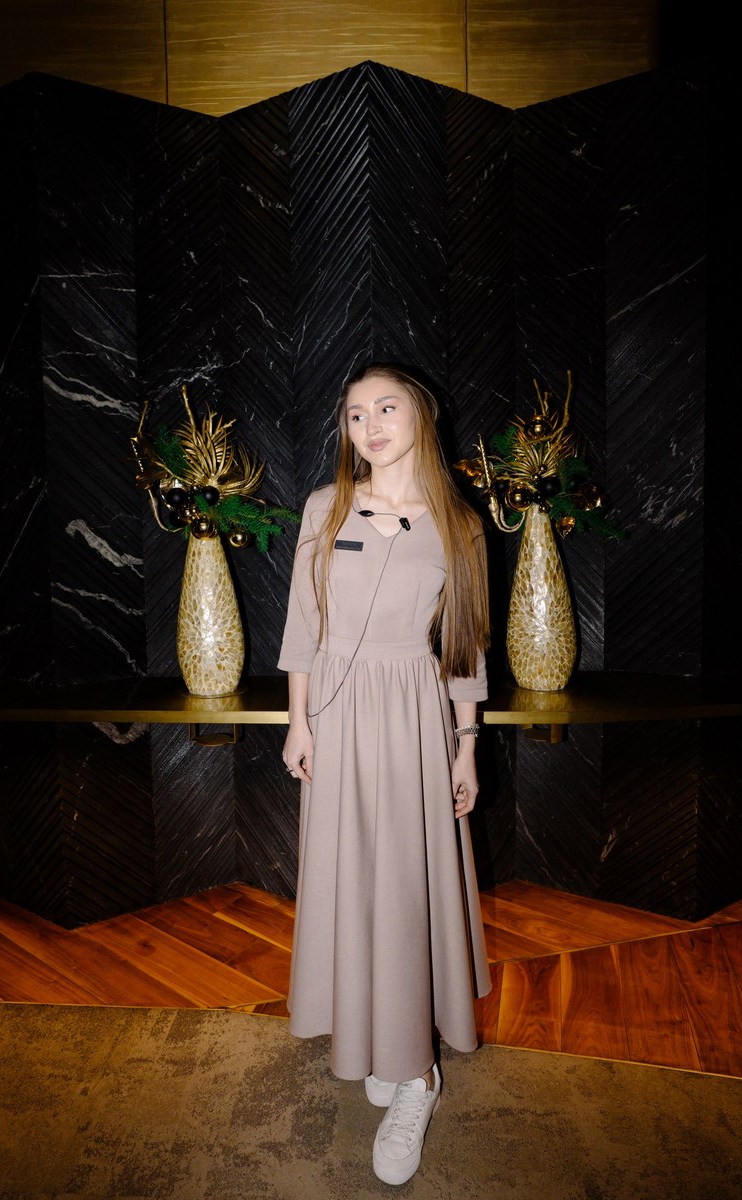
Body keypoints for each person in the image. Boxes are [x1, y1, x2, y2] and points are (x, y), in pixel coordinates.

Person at [278, 361, 491, 1186]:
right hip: (336, 717)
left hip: (412, 719)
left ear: (421, 418)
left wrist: (465, 745)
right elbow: (304, 623)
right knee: (353, 884)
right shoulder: (324, 508)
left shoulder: (460, 524)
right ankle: (376, 1037)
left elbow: (465, 645)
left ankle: (417, 1076)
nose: (369, 424)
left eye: (387, 407)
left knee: (404, 888)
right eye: (356, 412)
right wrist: (299, 722)